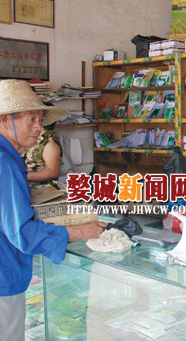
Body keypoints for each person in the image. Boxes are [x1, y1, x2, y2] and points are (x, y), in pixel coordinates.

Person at [0, 79, 106, 340]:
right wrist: (80, 231)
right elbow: (22, 234)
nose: (39, 127)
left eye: (40, 119)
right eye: (31, 119)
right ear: (4, 120)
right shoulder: (4, 163)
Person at [23, 101, 62, 188]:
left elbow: (53, 172)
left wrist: (24, 176)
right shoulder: (32, 138)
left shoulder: (49, 143)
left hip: (43, 191)